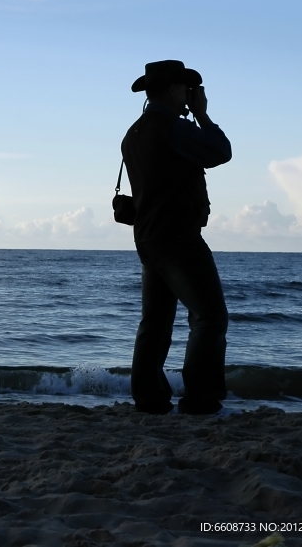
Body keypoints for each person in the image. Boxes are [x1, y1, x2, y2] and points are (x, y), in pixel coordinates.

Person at [121, 60, 232, 415]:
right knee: (209, 317)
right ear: (173, 90)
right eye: (186, 89)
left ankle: (149, 398)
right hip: (178, 237)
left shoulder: (135, 132)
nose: (190, 95)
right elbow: (220, 151)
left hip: (148, 238)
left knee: (154, 323)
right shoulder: (173, 128)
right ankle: (200, 398)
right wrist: (203, 115)